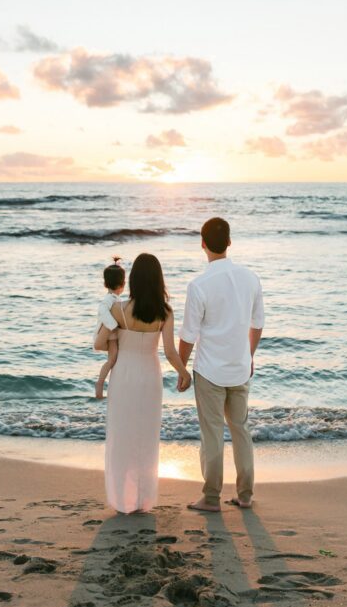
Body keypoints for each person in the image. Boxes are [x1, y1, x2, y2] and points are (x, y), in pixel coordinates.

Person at [178, 217, 264, 512]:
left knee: (212, 432)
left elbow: (188, 335)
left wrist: (180, 368)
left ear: (202, 244)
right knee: (240, 429)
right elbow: (258, 324)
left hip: (209, 371)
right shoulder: (251, 278)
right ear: (229, 242)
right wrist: (249, 355)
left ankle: (211, 497)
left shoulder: (198, 285)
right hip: (240, 368)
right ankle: (246, 495)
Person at [94, 252, 191, 514]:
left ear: (133, 279)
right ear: (159, 280)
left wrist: (115, 343)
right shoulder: (165, 312)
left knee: (121, 434)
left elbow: (99, 343)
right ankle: (142, 501)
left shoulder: (118, 309)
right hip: (150, 376)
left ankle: (121, 500)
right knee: (145, 438)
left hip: (124, 375)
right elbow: (170, 351)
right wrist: (185, 373)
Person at [94, 257, 126, 400]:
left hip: (113, 336)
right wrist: (114, 326)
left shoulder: (117, 299)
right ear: (123, 284)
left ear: (105, 283)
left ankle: (108, 386)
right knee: (111, 360)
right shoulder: (108, 299)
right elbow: (102, 311)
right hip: (108, 335)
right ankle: (100, 383)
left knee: (113, 360)